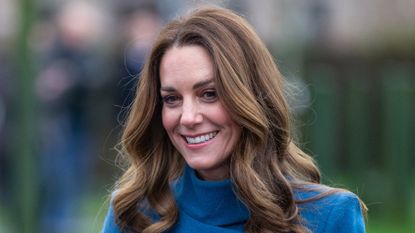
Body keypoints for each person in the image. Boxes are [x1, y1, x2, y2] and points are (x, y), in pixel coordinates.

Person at [102, 6, 367, 233]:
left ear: (251, 97)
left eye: (209, 94)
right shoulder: (132, 216)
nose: (188, 117)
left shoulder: (331, 216)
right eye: (172, 99)